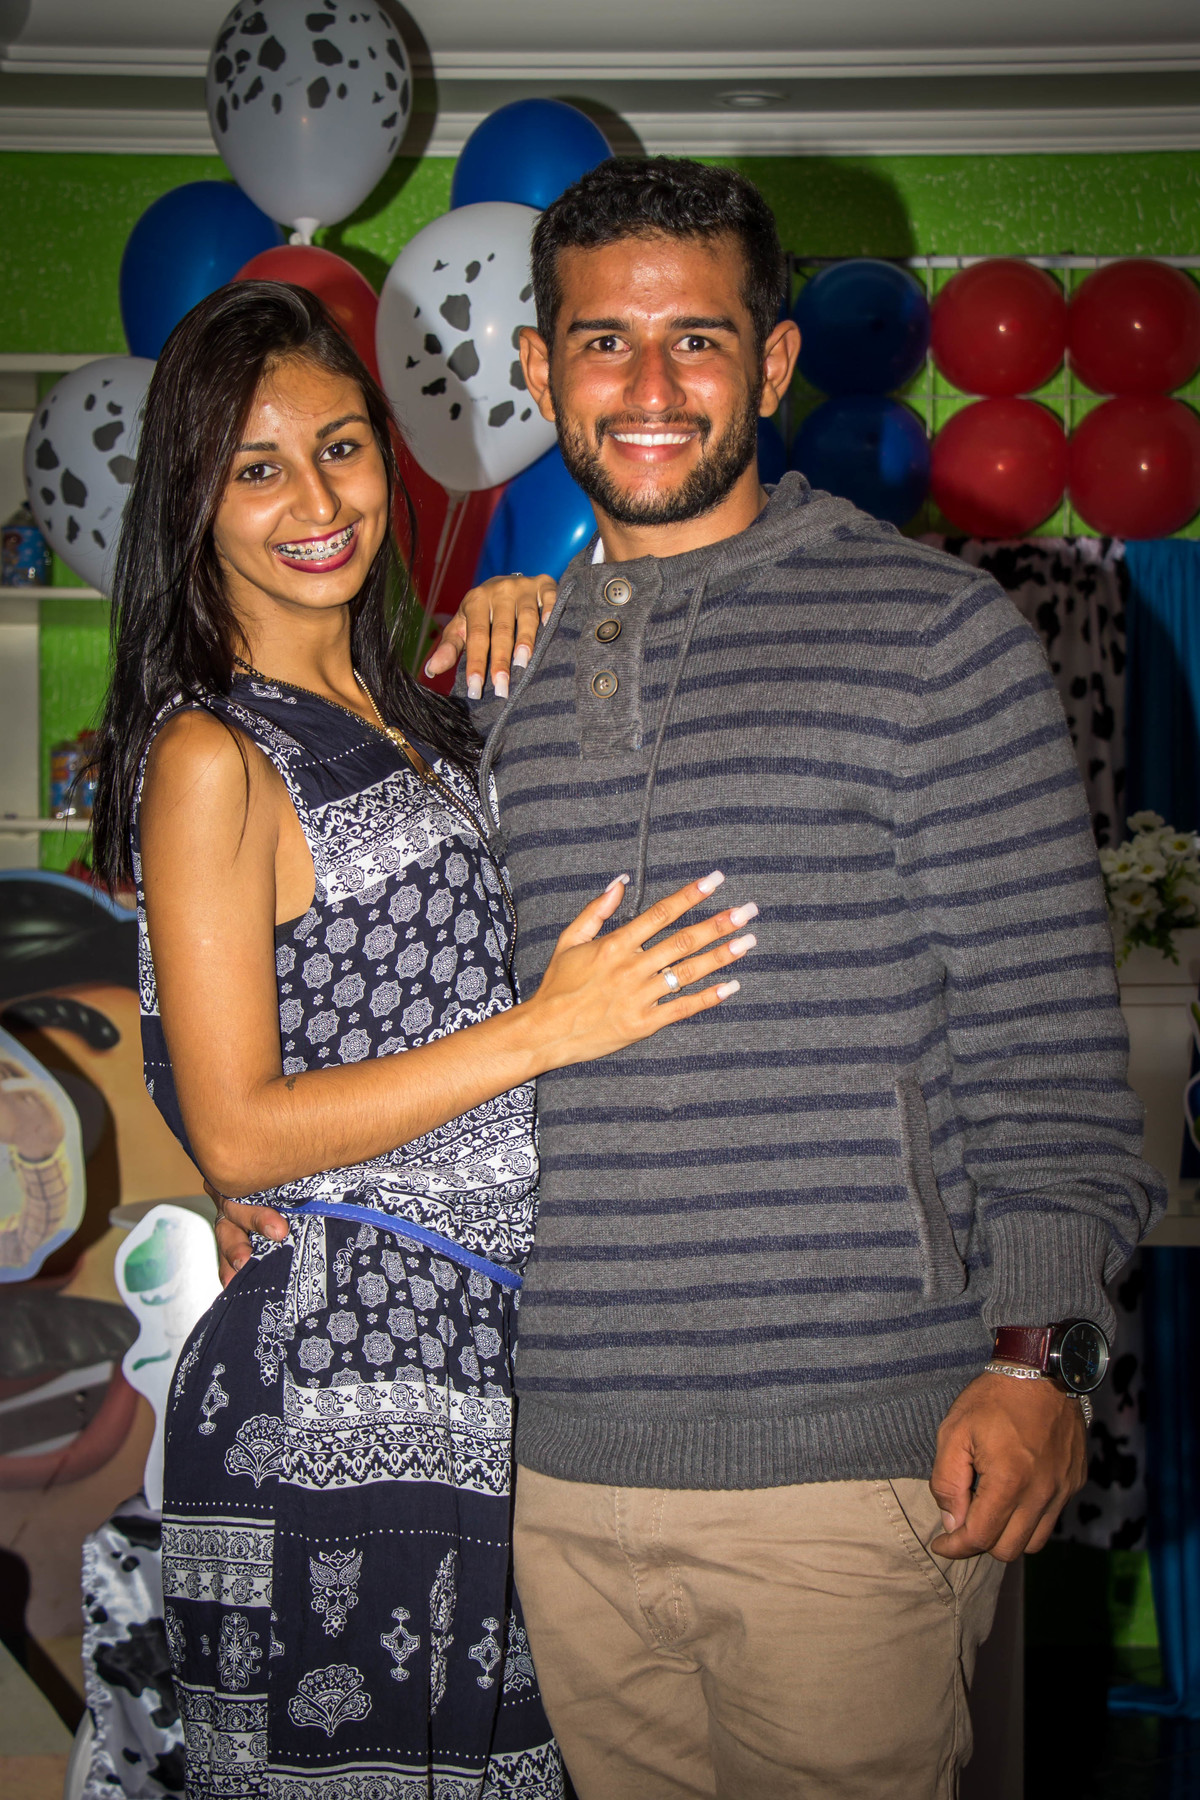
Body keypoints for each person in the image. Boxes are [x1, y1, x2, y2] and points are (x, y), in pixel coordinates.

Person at [216, 163, 1165, 1798]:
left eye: (699, 341)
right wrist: (288, 1177)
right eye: (604, 342)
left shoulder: (938, 638)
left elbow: (1051, 1058)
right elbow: (387, 991)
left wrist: (1040, 1359)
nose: (649, 387)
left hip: (847, 1464)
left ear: (774, 364)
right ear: (540, 369)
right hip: (541, 1463)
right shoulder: (476, 682)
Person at [88, 277, 755, 1800]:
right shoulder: (213, 751)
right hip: (341, 1362)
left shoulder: (422, 713)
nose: (318, 502)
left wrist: (536, 603)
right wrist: (546, 1032)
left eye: (341, 449)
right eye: (256, 469)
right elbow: (239, 1126)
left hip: (480, 1347)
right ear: (192, 503)